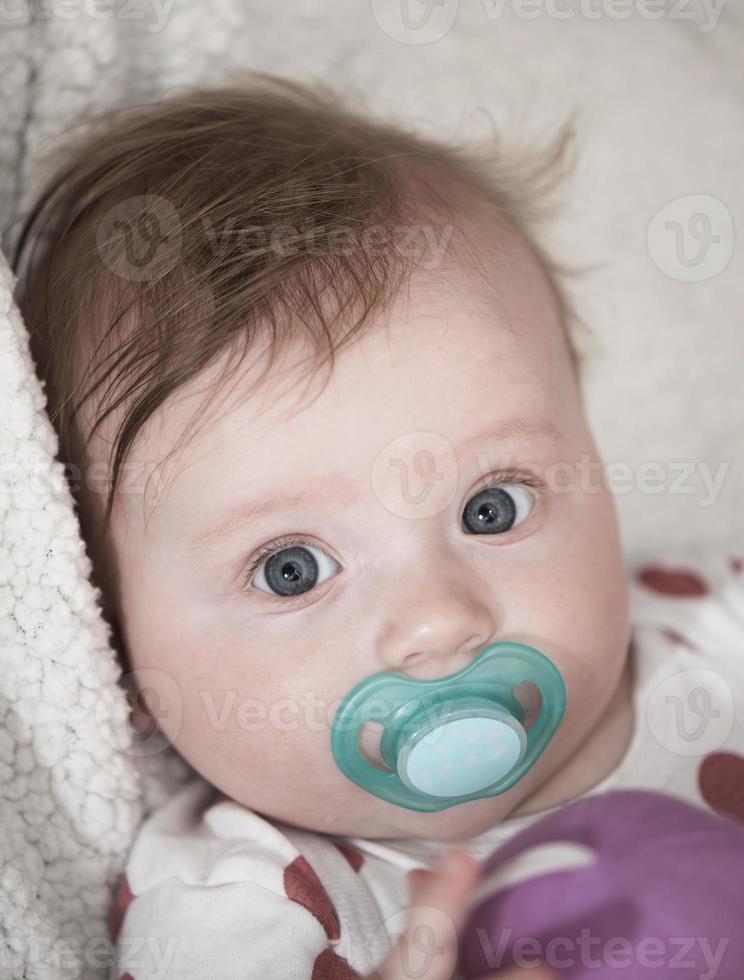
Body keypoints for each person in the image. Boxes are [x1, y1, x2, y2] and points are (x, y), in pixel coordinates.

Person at [12, 72, 744, 980]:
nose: (438, 619)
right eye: (291, 569)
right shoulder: (249, 911)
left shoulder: (719, 632)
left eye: (492, 508)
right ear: (118, 655)